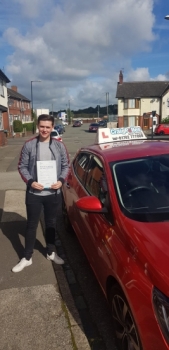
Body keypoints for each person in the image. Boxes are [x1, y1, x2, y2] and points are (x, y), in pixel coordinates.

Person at [12, 114, 69, 273]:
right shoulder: (29, 145)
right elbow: (22, 166)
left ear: (52, 128)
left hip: (53, 193)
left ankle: (51, 252)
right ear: (38, 126)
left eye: (48, 127)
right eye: (42, 126)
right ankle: (27, 257)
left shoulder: (59, 146)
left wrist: (61, 180)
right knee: (31, 225)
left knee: (51, 224)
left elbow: (66, 166)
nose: (44, 129)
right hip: (34, 194)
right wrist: (31, 182)